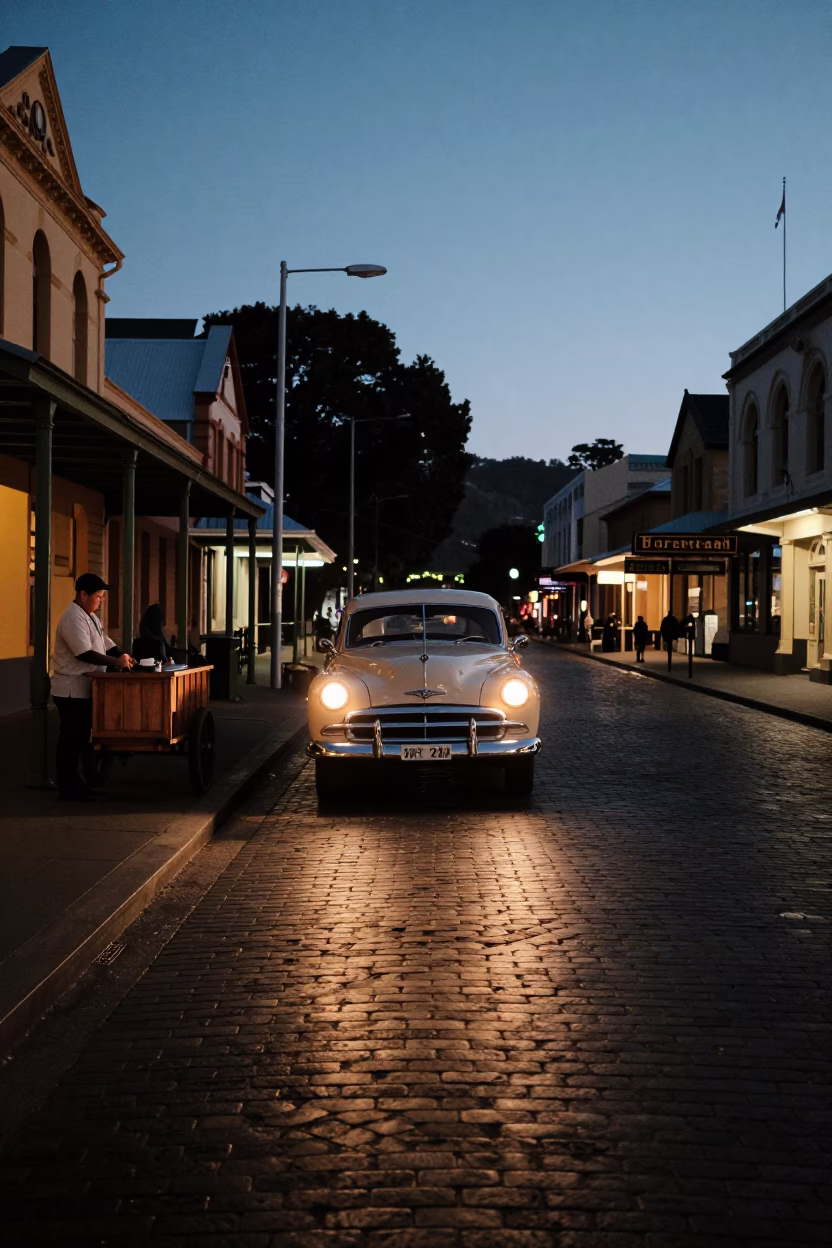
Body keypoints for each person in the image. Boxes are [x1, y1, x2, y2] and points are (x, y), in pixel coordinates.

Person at [51, 573, 134, 801]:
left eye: (102, 596)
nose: (101, 600)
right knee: (70, 738)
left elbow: (105, 642)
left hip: (85, 688)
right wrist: (116, 662)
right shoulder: (72, 618)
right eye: (97, 596)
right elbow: (84, 653)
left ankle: (76, 782)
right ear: (83, 594)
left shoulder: (91, 617)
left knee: (79, 738)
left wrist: (122, 654)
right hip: (70, 689)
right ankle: (67, 786)